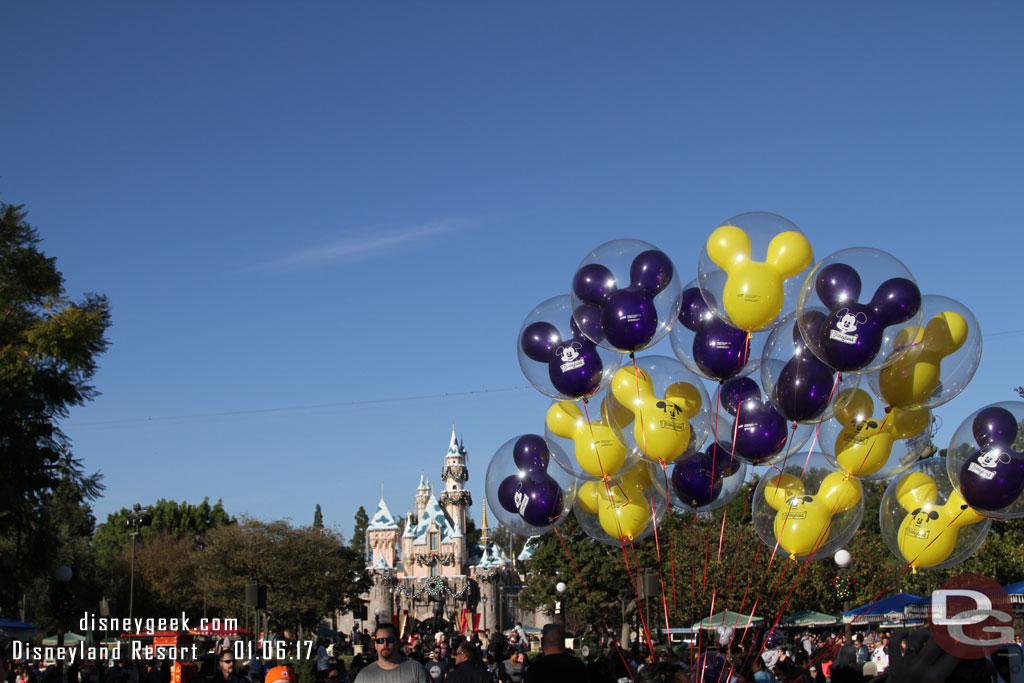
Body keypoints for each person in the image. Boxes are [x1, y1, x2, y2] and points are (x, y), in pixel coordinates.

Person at [355, 623, 429, 683]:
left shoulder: (416, 670)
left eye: (389, 639)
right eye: (380, 641)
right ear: (375, 645)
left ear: (397, 642)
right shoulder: (364, 676)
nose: (385, 644)